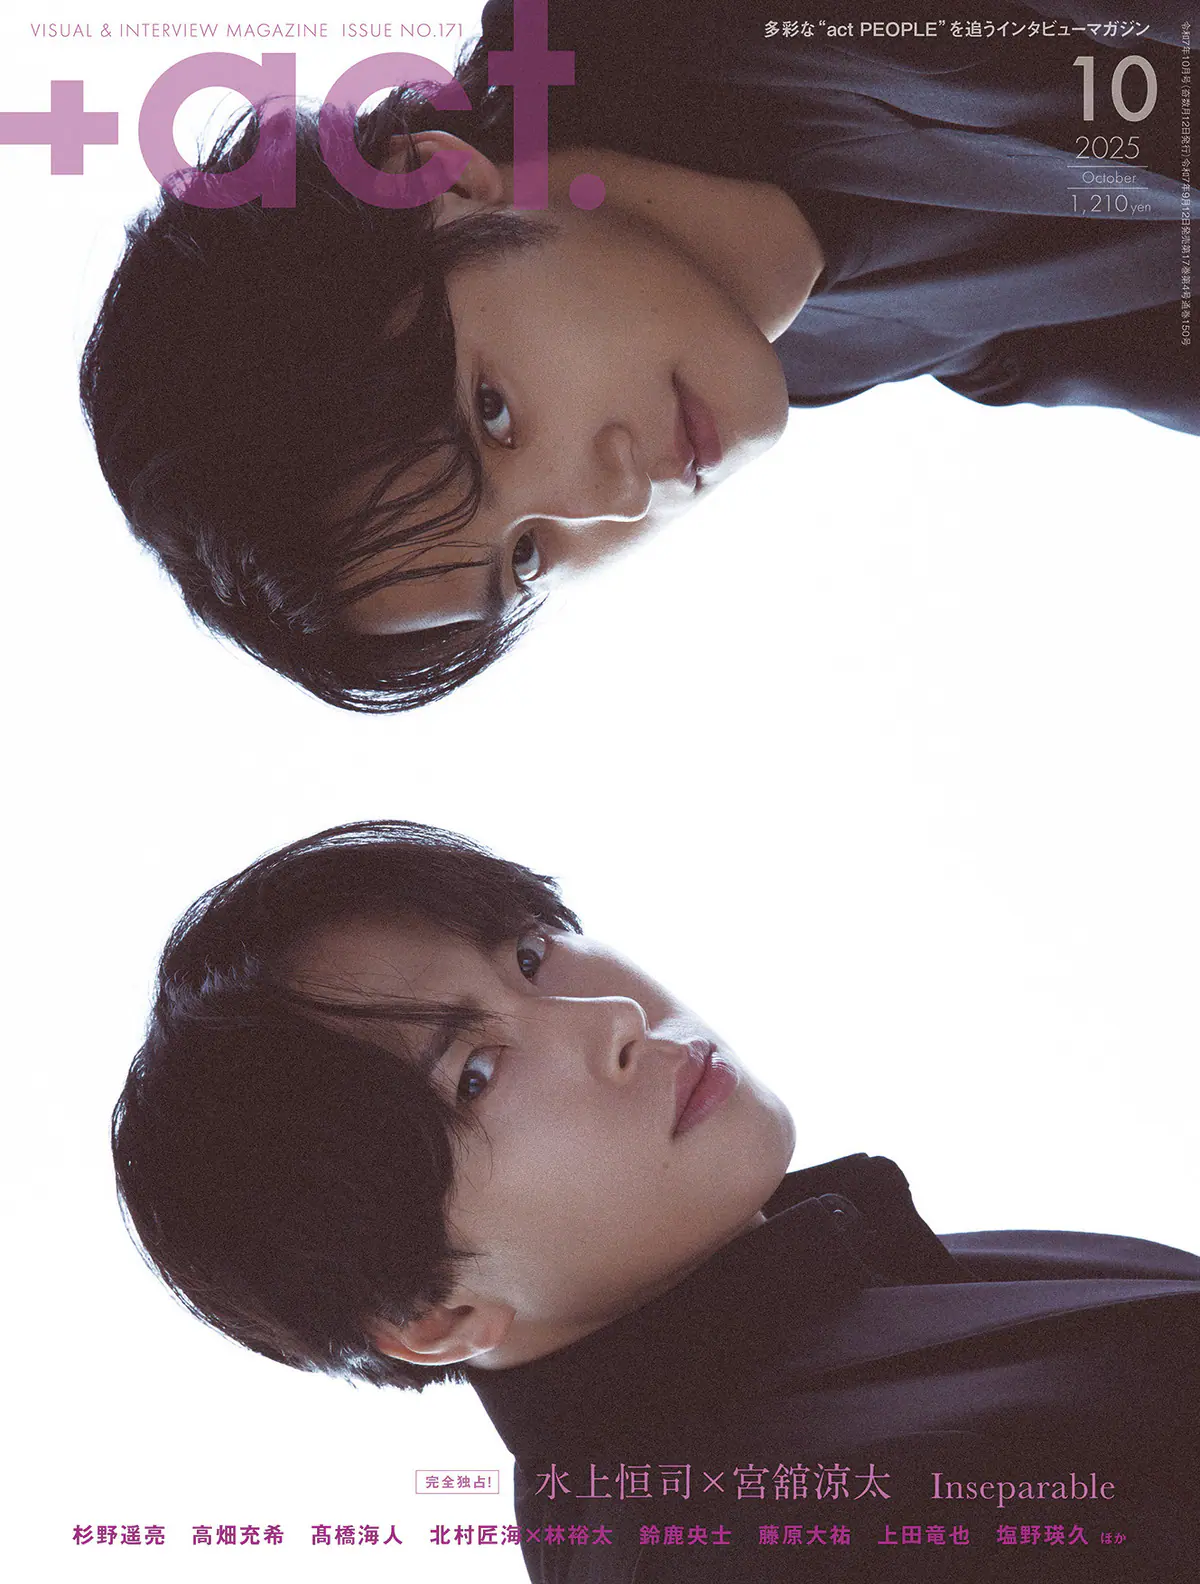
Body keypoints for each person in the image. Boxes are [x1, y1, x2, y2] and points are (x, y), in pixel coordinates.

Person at [112, 819, 1199, 1581]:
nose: (612, 1020)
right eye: (474, 1076)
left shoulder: (870, 1274)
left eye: (530, 955)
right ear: (433, 1316)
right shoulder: (731, 1545)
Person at [80, 1, 1196, 713]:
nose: (609, 499)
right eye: (524, 557)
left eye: (493, 415)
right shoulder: (832, 349)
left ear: (438, 180)